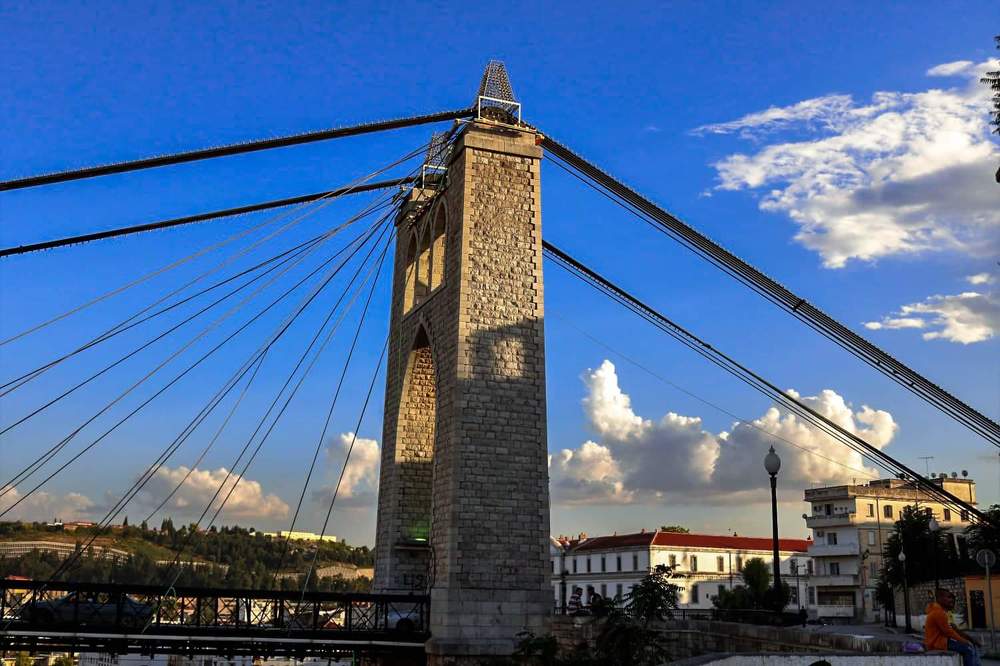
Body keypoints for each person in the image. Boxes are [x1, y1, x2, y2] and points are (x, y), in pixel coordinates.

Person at [924, 588, 981, 666]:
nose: (950, 600)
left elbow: (952, 630)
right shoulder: (938, 612)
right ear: (940, 599)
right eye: (948, 597)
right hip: (937, 643)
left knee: (970, 646)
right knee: (968, 649)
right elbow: (948, 632)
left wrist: (968, 640)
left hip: (942, 641)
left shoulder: (940, 611)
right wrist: (964, 641)